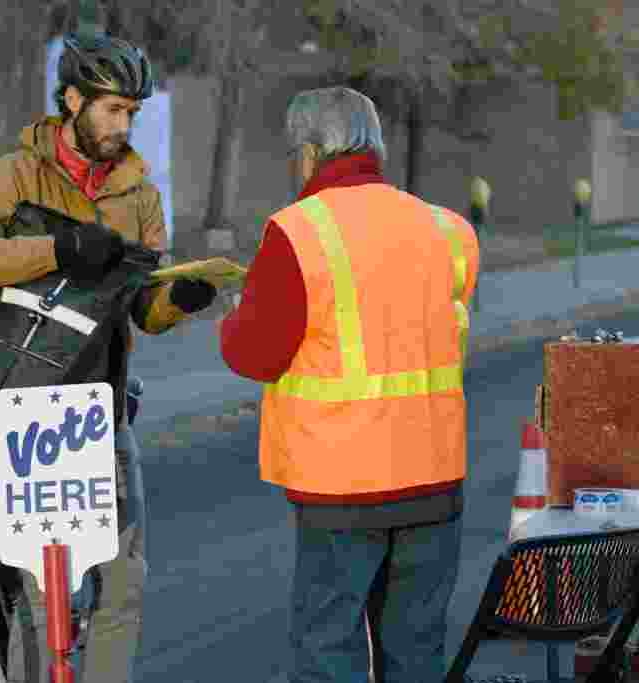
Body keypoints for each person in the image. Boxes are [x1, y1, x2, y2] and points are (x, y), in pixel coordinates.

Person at [0, 32, 218, 683]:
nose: (125, 125)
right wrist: (59, 249)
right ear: (72, 99)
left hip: (100, 412)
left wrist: (181, 297)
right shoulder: (12, 175)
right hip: (27, 412)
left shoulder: (140, 196)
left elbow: (142, 312)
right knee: (41, 601)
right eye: (112, 109)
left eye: (132, 112)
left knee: (123, 583)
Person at [216, 87, 480, 683]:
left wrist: (234, 318)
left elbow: (256, 354)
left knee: (327, 652)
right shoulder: (449, 230)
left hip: (343, 490)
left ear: (309, 154)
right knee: (416, 653)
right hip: (434, 478)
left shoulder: (297, 231)